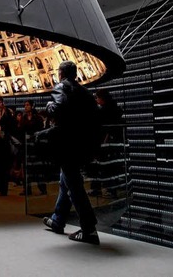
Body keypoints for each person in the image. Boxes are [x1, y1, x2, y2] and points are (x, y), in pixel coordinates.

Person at [42, 60, 101, 245]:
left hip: (67, 143)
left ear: (61, 73)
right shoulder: (85, 92)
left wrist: (48, 106)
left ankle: (89, 229)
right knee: (65, 180)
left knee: (74, 185)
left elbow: (57, 109)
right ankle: (58, 220)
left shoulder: (62, 86)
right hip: (83, 143)